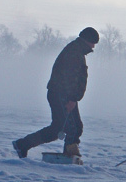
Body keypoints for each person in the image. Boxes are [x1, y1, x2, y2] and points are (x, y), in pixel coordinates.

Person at [12, 27, 99, 158]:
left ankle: (23, 144)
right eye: (93, 43)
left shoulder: (77, 51)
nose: (93, 46)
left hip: (62, 94)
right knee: (72, 128)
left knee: (60, 128)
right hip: (61, 95)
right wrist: (71, 99)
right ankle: (69, 157)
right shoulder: (74, 52)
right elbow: (70, 78)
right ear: (87, 40)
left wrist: (73, 98)